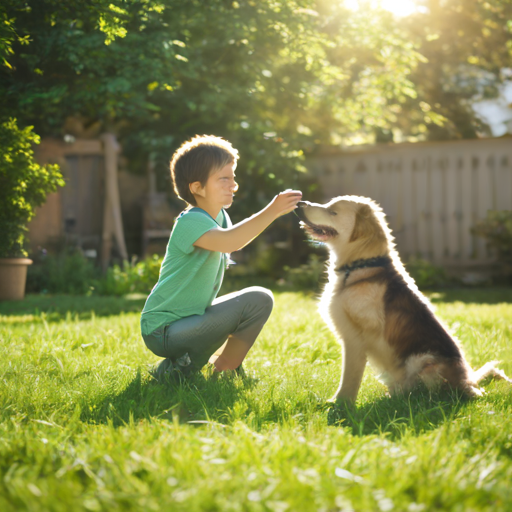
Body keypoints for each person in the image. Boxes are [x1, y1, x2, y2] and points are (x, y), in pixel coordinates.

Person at [140, 135, 302, 381]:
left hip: (190, 321)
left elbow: (234, 237)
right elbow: (231, 241)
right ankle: (209, 369)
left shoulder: (220, 218)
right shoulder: (191, 220)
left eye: (233, 177)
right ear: (197, 188)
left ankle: (196, 369)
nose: (233, 185)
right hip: (163, 330)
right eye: (224, 178)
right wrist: (273, 210)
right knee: (252, 301)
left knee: (259, 299)